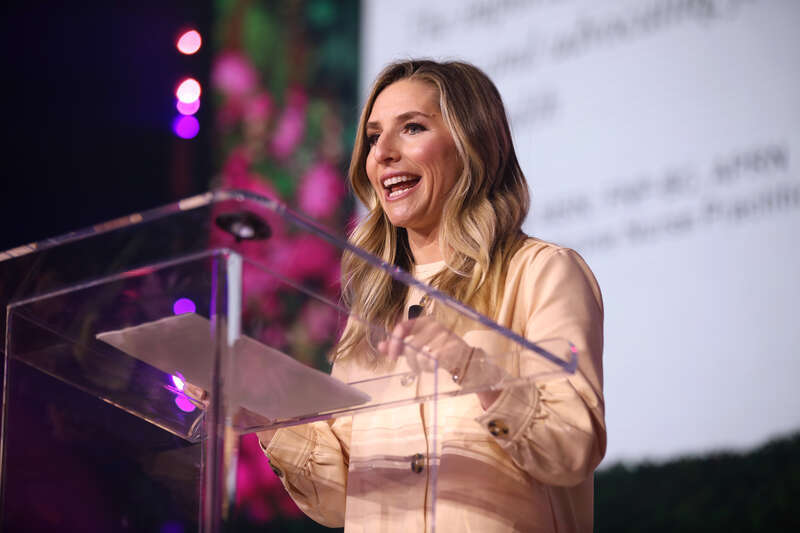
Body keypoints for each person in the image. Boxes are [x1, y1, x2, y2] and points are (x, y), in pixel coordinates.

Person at [259, 59, 605, 532]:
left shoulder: (541, 273)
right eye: (375, 137)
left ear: (472, 146)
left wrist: (475, 369)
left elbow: (572, 447)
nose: (382, 153)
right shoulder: (374, 311)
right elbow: (340, 500)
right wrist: (263, 405)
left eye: (412, 128)